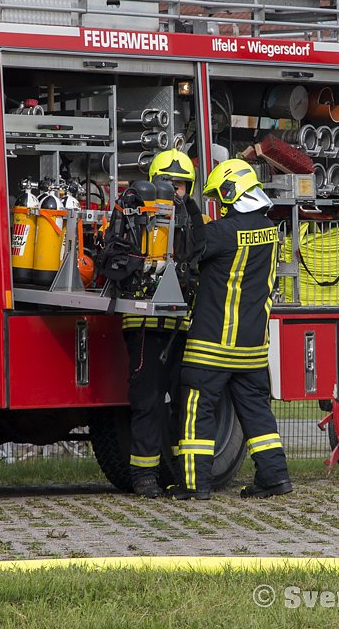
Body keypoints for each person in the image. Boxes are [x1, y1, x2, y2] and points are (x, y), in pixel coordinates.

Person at [167, 159, 292, 500]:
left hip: (212, 343)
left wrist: (185, 205)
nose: (220, 207)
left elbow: (190, 247)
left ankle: (195, 485)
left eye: (221, 199)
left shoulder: (223, 232)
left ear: (230, 192)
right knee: (256, 412)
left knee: (197, 409)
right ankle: (275, 477)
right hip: (253, 347)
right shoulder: (270, 229)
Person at [123, 149, 205, 498]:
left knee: (185, 401)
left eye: (183, 185)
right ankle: (144, 477)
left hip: (181, 324)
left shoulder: (193, 215)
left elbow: (202, 257)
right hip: (143, 321)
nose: (176, 191)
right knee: (148, 400)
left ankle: (182, 475)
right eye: (169, 182)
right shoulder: (134, 211)